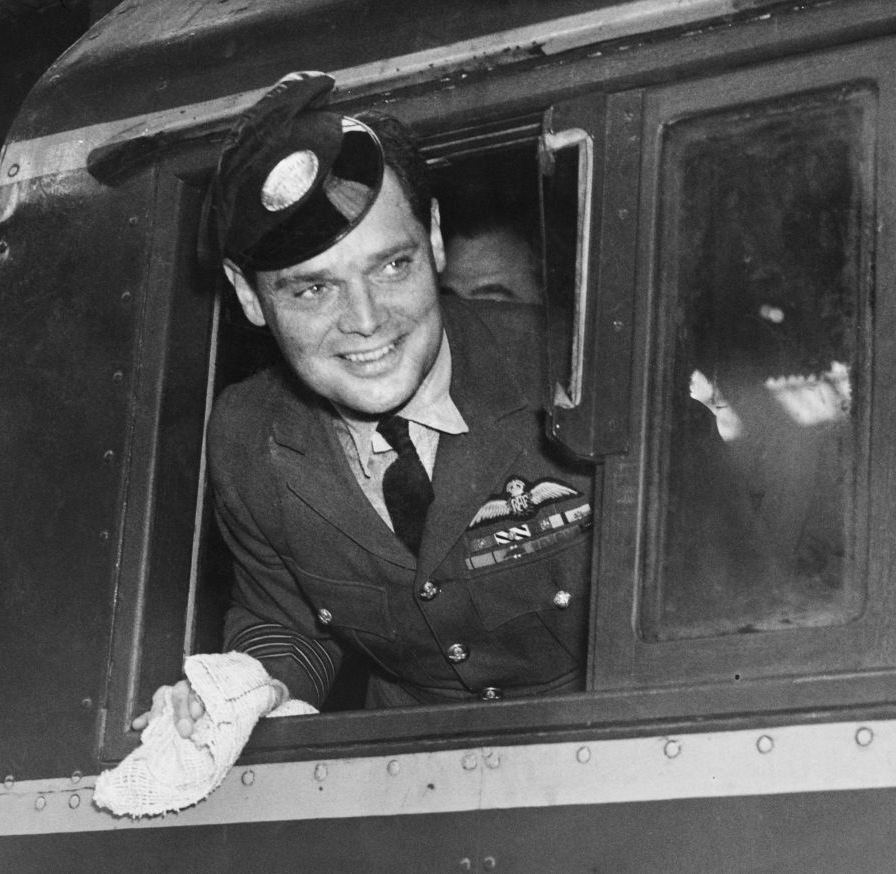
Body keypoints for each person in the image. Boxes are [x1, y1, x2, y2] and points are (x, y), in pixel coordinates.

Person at [135, 72, 593, 737]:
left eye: (391, 266)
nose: (366, 321)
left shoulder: (573, 362)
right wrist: (243, 689)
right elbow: (284, 622)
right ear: (247, 295)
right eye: (312, 291)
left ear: (433, 238)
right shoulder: (248, 436)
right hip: (409, 776)